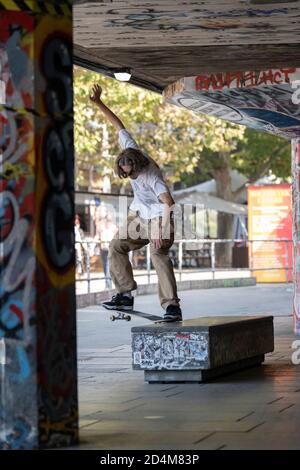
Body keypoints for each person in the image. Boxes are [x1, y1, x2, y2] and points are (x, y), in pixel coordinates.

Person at [89, 84, 182, 322]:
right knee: (116, 245)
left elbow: (169, 202)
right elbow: (118, 125)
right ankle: (125, 293)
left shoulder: (152, 176)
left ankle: (172, 307)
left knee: (158, 253)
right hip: (139, 216)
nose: (127, 175)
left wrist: (162, 230)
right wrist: (99, 103)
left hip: (161, 217)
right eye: (123, 172)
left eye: (129, 172)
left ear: (137, 166)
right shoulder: (130, 150)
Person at [96, 213, 117, 289]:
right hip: (103, 249)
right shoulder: (101, 227)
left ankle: (108, 285)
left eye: (110, 220)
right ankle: (108, 284)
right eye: (108, 220)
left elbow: (116, 238)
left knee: (108, 266)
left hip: (110, 249)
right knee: (105, 266)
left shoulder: (114, 228)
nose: (109, 221)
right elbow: (98, 237)